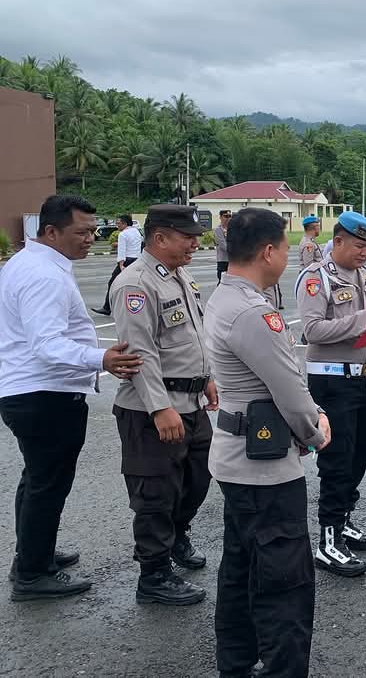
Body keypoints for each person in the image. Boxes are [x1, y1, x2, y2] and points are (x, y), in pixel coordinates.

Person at [204, 207, 330, 678]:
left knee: (240, 573)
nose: (286, 257)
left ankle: (235, 666)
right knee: (285, 585)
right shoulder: (255, 313)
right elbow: (290, 391)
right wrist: (315, 431)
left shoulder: (223, 297)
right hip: (265, 467)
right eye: (284, 248)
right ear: (268, 251)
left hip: (236, 458)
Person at [0, 195, 142, 601]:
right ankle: (32, 575)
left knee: (37, 480)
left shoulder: (31, 264)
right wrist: (102, 358)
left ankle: (33, 553)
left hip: (33, 391)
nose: (90, 238)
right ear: (51, 231)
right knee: (48, 484)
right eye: (82, 232)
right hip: (44, 395)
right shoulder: (42, 275)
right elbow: (47, 344)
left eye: (93, 230)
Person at [110, 204, 216, 605]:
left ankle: (176, 538)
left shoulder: (179, 275)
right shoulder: (135, 284)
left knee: (196, 480)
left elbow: (193, 335)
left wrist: (207, 378)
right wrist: (159, 408)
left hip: (191, 401)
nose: (195, 243)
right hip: (151, 409)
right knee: (155, 492)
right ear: (159, 238)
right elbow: (140, 353)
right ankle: (153, 576)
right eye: (187, 237)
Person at [298, 212, 366, 577]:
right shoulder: (316, 277)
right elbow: (313, 331)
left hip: (365, 378)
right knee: (337, 461)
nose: (364, 253)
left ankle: (344, 520)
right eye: (359, 246)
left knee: (360, 453)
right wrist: (365, 317)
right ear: (339, 241)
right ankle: (328, 542)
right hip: (332, 382)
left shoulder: (363, 275)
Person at [93, 215, 143, 316]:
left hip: (126, 261)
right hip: (137, 260)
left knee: (112, 283)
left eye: (118, 223)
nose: (117, 225)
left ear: (125, 223)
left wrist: (121, 264)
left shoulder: (123, 234)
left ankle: (107, 307)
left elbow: (121, 251)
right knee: (134, 284)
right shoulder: (136, 232)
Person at [214, 210, 231, 283]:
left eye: (229, 216)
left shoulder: (232, 229)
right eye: (226, 216)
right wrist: (236, 251)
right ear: (220, 217)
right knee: (222, 282)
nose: (228, 218)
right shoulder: (218, 230)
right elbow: (223, 245)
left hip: (232, 261)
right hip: (223, 260)